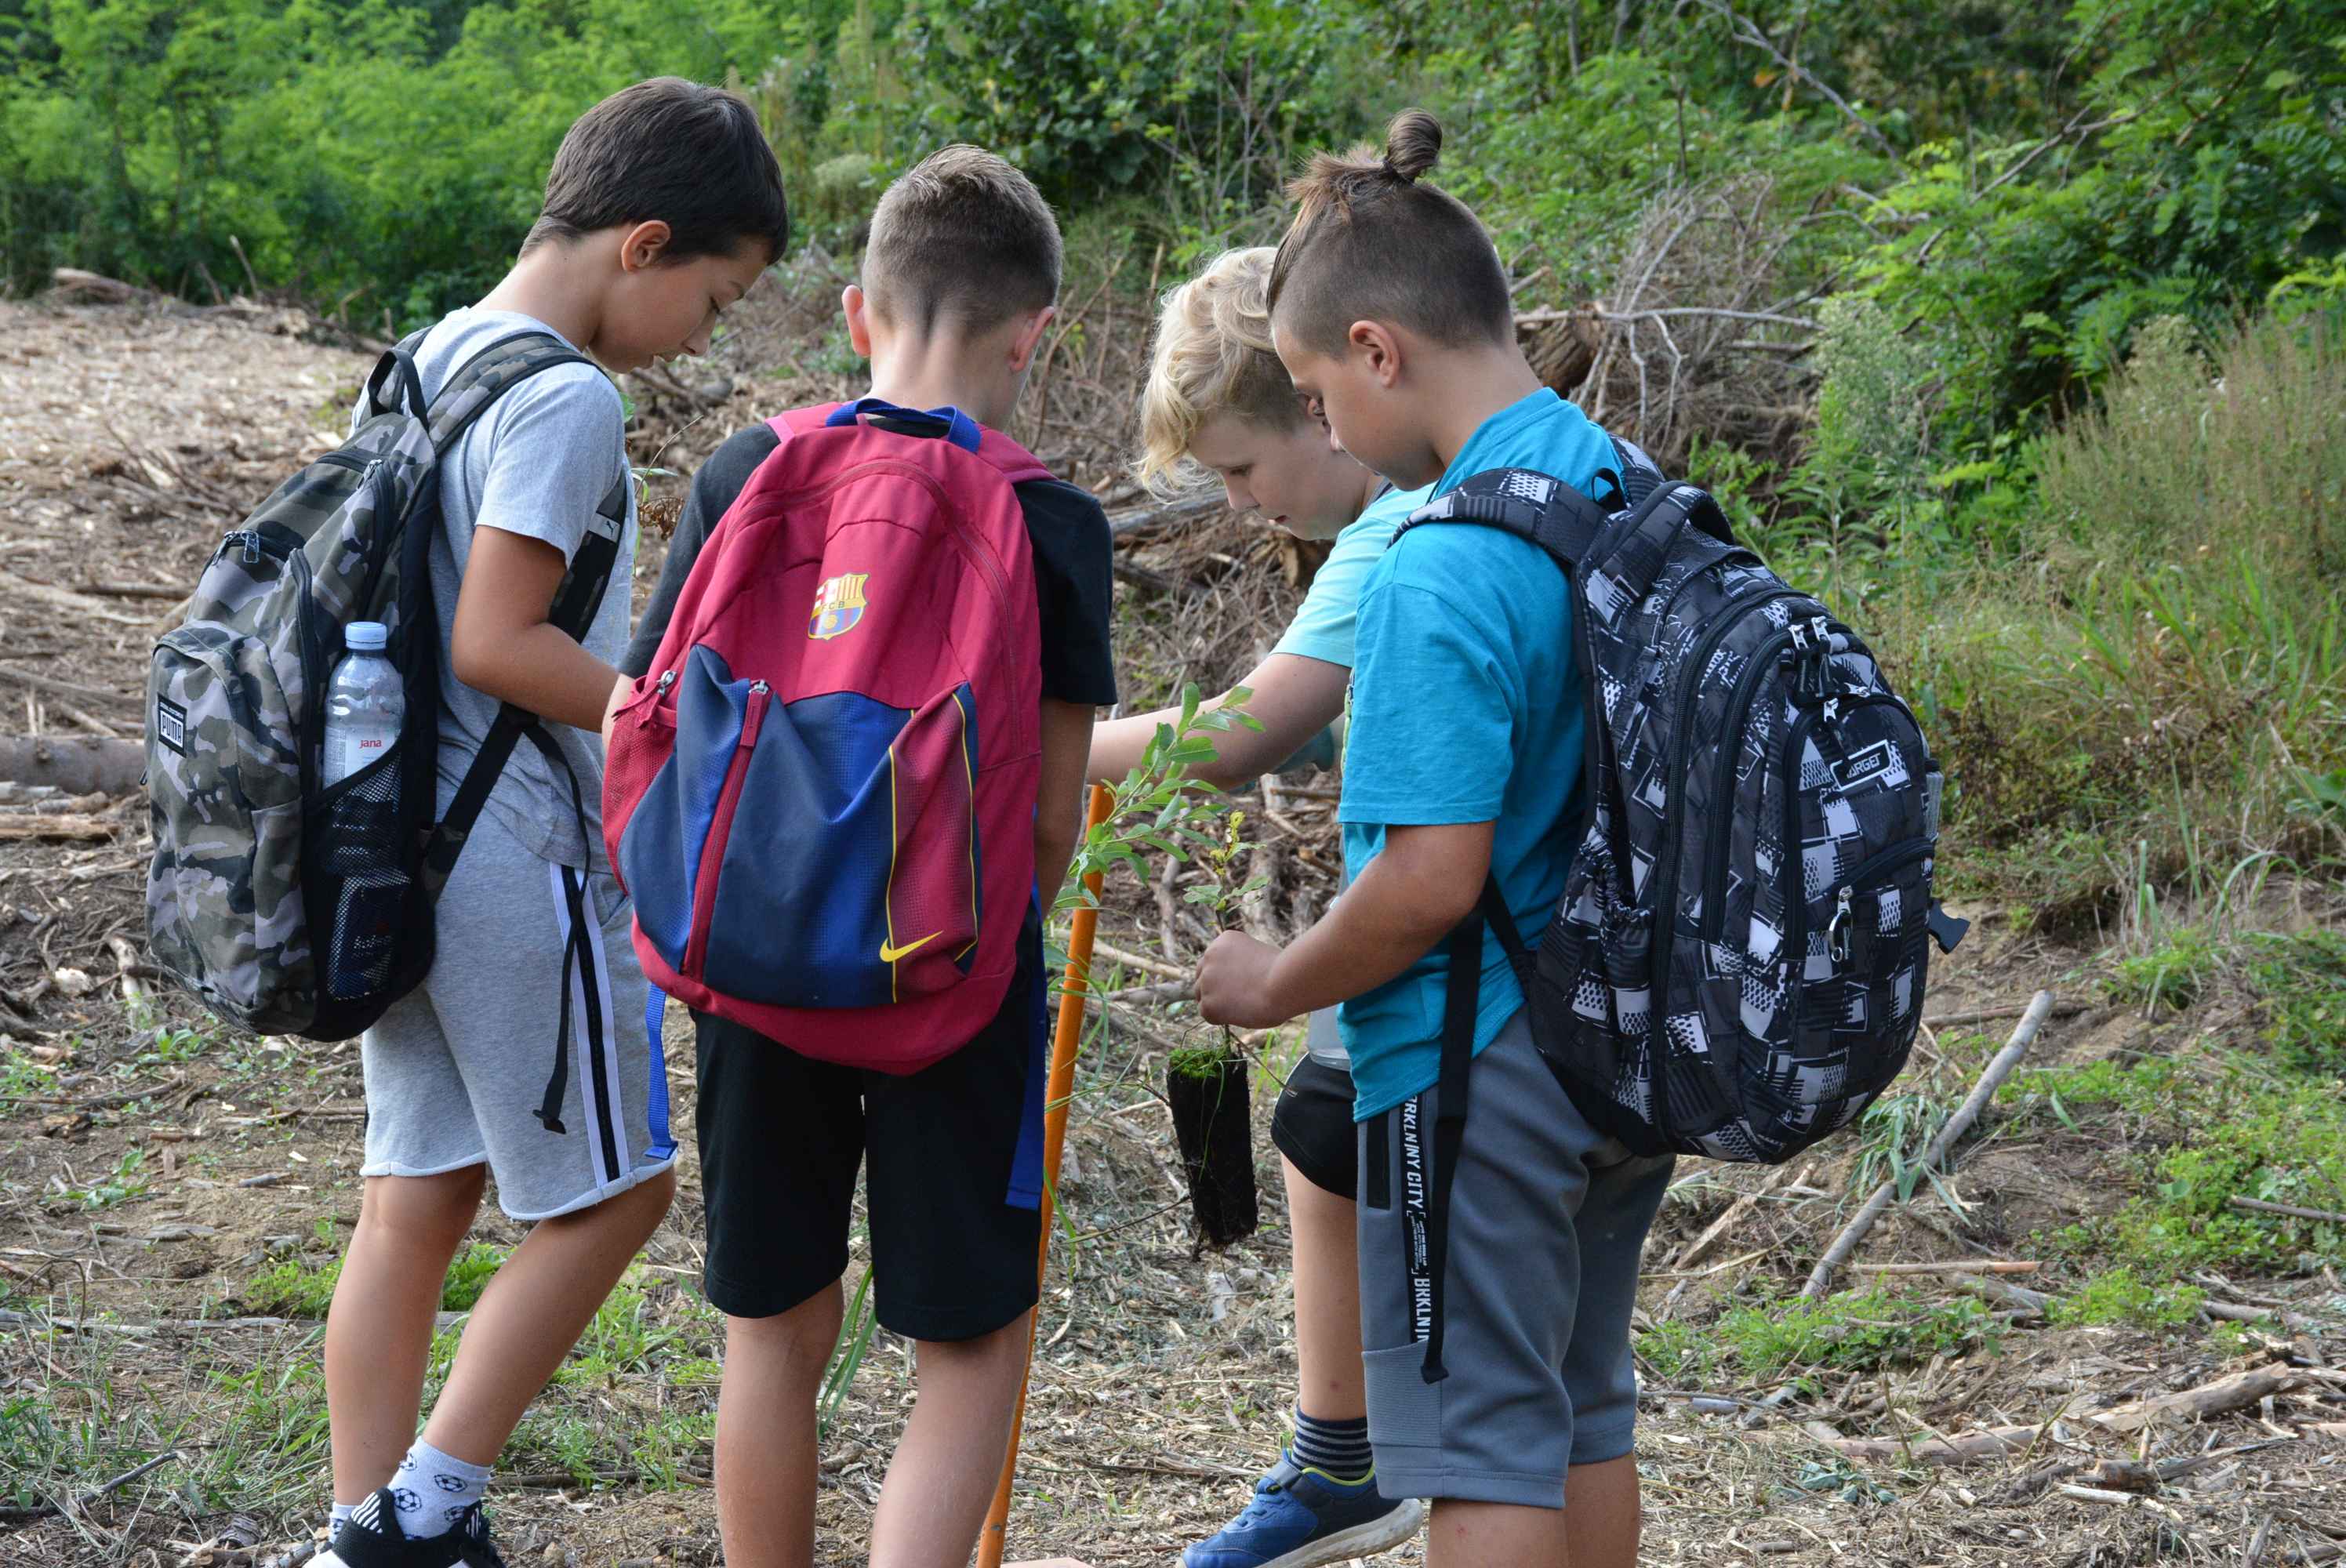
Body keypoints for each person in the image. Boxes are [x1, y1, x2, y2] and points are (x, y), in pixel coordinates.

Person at [611, 145, 1117, 1568]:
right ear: (1037, 336)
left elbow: (648, 716)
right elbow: (1047, 823)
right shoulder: (1052, 522)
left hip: (753, 962)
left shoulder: (745, 468)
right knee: (971, 1343)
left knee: (772, 1334)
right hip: (949, 981)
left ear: (855, 314)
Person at [1193, 111, 1676, 1568]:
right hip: (1625, 1035)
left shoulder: (1433, 560)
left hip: (1475, 1069)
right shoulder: (1622, 481)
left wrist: (1275, 985)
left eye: (1313, 388)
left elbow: (1427, 881)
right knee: (1582, 1408)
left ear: (1378, 349)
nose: (1323, 426)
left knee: (1478, 1459)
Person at [318, 78, 786, 1568]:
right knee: (623, 1192)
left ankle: (359, 1530)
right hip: (509, 852)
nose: (706, 337)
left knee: (418, 1198)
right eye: (715, 297)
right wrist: (677, 711)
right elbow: (497, 640)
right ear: (643, 244)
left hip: (392, 843)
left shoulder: (427, 354)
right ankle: (424, 1509)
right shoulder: (567, 393)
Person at [1088, 245, 1429, 1568]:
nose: (1238, 503)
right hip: (1465, 924)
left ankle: (1366, 1454)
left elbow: (1244, 732)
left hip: (1455, 938)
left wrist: (1040, 755)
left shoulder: (1396, 520)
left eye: (1240, 467)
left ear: (1324, 404)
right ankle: (1342, 1449)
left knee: (1355, 1141)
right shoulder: (1405, 511)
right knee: (1318, 1122)